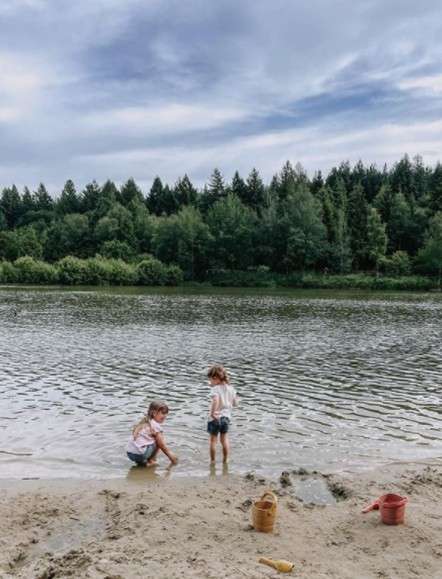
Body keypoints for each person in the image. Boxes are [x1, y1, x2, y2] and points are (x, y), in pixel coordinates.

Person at [127, 401, 177, 466]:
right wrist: (173, 459)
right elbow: (163, 446)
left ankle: (142, 463)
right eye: (163, 413)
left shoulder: (143, 422)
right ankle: (151, 460)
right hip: (141, 454)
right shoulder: (155, 425)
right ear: (154, 413)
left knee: (147, 441)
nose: (165, 416)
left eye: (166, 414)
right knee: (158, 441)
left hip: (130, 453)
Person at [207, 364, 238, 464]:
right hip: (226, 418)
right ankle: (225, 460)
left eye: (210, 380)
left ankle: (212, 461)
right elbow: (235, 403)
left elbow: (215, 401)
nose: (210, 382)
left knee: (213, 441)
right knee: (224, 440)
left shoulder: (215, 389)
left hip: (215, 418)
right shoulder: (231, 389)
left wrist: (212, 414)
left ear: (215, 378)